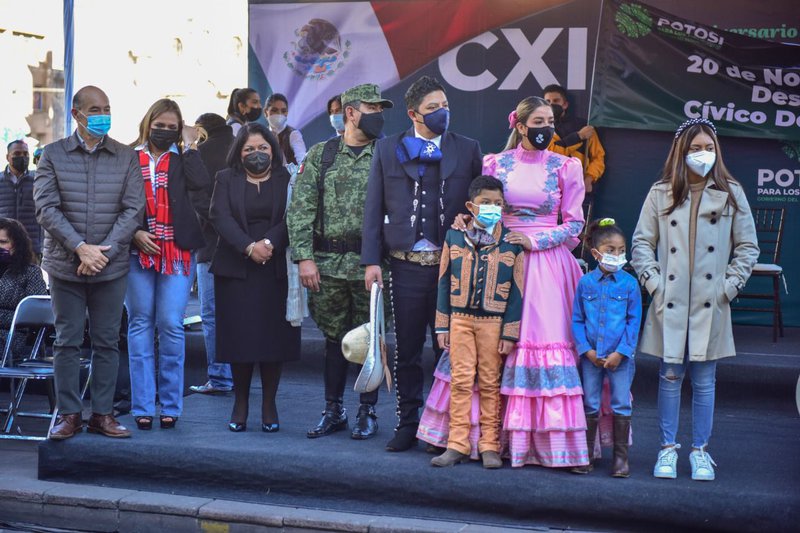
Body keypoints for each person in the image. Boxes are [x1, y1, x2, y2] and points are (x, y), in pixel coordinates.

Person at [631, 118, 758, 481]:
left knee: (705, 379)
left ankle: (700, 451)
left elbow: (747, 246)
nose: (703, 154)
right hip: (670, 299)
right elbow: (642, 241)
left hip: (709, 301)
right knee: (669, 375)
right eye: (695, 148)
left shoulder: (731, 191)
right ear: (681, 152)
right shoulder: (661, 192)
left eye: (709, 147)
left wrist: (728, 286)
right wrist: (654, 283)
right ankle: (667, 449)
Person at [362, 75, 482, 452]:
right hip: (405, 263)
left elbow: (482, 202)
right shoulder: (386, 149)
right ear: (413, 113)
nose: (442, 112)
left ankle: (444, 428)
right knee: (408, 348)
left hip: (453, 265)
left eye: (445, 104)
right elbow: (372, 208)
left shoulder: (468, 147)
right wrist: (371, 261)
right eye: (433, 108)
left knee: (450, 349)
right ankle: (407, 422)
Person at [482, 96, 588, 468]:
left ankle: (556, 445)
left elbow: (575, 225)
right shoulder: (494, 163)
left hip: (546, 264)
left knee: (541, 341)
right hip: (503, 260)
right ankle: (487, 438)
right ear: (521, 126)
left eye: (551, 120)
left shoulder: (567, 166)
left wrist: (536, 241)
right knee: (494, 344)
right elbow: (487, 212)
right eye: (539, 120)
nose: (547, 127)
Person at [34, 85, 145, 440]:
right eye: (95, 108)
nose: (102, 114)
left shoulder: (126, 156)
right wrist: (81, 248)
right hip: (66, 266)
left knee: (107, 341)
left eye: (107, 107)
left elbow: (133, 209)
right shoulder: (52, 154)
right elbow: (46, 209)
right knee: (66, 340)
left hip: (109, 267)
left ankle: (102, 414)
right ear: (76, 114)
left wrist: (102, 252)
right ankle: (68, 414)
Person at [288, 83, 392, 441]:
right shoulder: (322, 154)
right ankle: (333, 410)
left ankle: (367, 411)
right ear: (351, 112)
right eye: (372, 109)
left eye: (381, 110)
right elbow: (300, 209)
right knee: (334, 341)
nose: (379, 116)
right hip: (328, 265)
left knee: (370, 340)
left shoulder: (386, 153)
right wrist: (303, 258)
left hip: (371, 266)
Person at [429, 176, 524, 469]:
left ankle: (489, 446)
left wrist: (510, 332)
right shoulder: (454, 237)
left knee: (489, 383)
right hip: (459, 320)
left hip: (493, 323)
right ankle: (457, 443)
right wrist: (442, 325)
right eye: (485, 203)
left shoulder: (511, 243)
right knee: (460, 381)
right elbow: (443, 283)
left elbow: (518, 293)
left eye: (497, 204)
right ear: (472, 206)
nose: (492, 208)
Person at [211, 123, 300, 432]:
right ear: (240, 151)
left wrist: (270, 244)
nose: (256, 154)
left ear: (272, 150)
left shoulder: (286, 179)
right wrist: (248, 247)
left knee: (272, 340)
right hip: (236, 269)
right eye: (249, 149)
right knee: (241, 339)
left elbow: (295, 217)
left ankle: (269, 403)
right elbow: (219, 216)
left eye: (263, 148)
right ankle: (241, 403)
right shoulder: (225, 178)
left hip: (274, 269)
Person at [126, 99, 209, 431]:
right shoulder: (128, 157)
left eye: (171, 126)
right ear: (148, 123)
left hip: (176, 252)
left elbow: (203, 186)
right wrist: (134, 233)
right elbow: (117, 201)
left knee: (171, 325)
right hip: (137, 252)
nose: (164, 131)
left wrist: (189, 145)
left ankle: (171, 405)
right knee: (139, 324)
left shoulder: (184, 157)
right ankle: (143, 405)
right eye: (159, 125)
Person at [571, 218, 641, 477]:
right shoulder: (585, 283)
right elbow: (577, 319)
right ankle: (586, 455)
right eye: (611, 250)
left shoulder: (629, 284)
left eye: (621, 250)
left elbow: (634, 322)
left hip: (619, 358)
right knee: (590, 402)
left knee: (621, 403)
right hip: (591, 357)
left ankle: (621, 460)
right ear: (596, 253)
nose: (617, 255)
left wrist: (621, 352)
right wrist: (585, 350)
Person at [188, 113, 235, 395]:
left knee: (212, 313)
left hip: (209, 243)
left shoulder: (199, 154)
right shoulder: (243, 148)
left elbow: (196, 197)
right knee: (239, 311)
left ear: (202, 130)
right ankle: (239, 374)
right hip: (244, 242)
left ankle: (219, 377)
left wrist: (218, 221)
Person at [542, 84, 605, 195]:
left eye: (556, 101)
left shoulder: (584, 126)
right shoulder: (541, 127)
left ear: (565, 104)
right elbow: (551, 153)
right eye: (547, 102)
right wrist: (579, 136)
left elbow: (598, 156)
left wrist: (589, 179)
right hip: (549, 187)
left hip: (578, 186)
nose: (551, 105)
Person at [0, 218, 48, 356]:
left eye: (3, 242)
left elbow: (38, 315)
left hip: (13, 336)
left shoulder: (30, 272)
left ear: (17, 245)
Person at [1, 141, 41, 254]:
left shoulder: (38, 180)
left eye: (25, 154)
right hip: (4, 249)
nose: (22, 157)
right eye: (17, 154)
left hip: (31, 248)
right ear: (8, 157)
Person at [265, 93, 307, 166]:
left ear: (287, 113)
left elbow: (302, 159)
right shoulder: (262, 134)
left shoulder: (293, 134)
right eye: (274, 110)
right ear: (266, 112)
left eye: (283, 111)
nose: (279, 114)